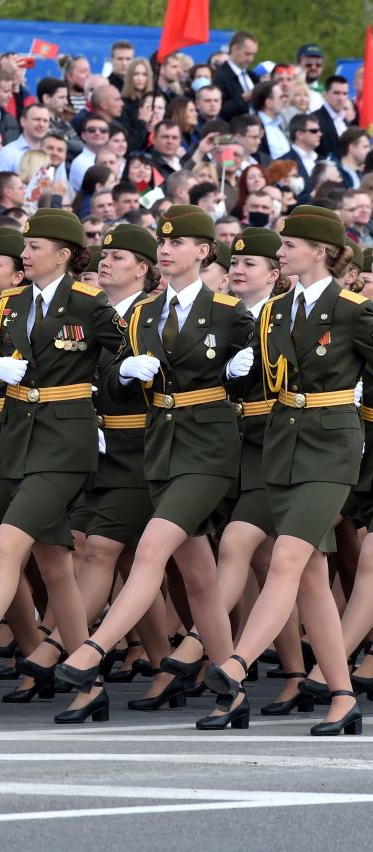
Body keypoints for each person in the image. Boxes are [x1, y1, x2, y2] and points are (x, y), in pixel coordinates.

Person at [55, 205, 254, 728]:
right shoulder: (142, 313)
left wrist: (240, 370)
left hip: (209, 448)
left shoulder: (232, 312)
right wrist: (123, 368)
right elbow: (112, 379)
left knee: (150, 548)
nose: (166, 250)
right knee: (199, 579)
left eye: (180, 243)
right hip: (160, 444)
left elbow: (263, 378)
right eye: (163, 243)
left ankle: (91, 649)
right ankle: (231, 691)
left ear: (204, 252)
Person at [0, 209, 123, 719]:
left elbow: (125, 354)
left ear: (63, 255)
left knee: (8, 544)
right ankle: (90, 689)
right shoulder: (11, 303)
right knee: (56, 565)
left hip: (65, 442)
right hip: (21, 440)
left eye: (35, 246)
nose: (26, 253)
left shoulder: (88, 302)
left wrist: (120, 376)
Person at [203, 206, 370, 736]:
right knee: (313, 581)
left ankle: (236, 664)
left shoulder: (351, 310)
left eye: (290, 245)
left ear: (319, 251)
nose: (281, 252)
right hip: (283, 445)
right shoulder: (275, 311)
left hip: (331, 447)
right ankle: (343, 699)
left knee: (286, 559)